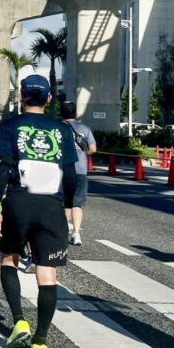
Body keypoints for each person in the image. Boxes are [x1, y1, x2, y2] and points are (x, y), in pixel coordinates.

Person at [0, 74, 77, 348]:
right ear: (49, 99)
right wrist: (65, 205)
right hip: (51, 203)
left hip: (18, 199)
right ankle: (41, 341)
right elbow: (71, 174)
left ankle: (18, 321)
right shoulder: (61, 129)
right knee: (47, 272)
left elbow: (3, 167)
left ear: (21, 96)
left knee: (8, 258)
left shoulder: (10, 126)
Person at [60, 102, 96, 246]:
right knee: (77, 203)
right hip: (80, 170)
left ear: (61, 113)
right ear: (75, 113)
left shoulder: (58, 128)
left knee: (64, 203)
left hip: (62, 169)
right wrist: (81, 152)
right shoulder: (84, 129)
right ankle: (76, 234)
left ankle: (62, 231)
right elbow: (93, 149)